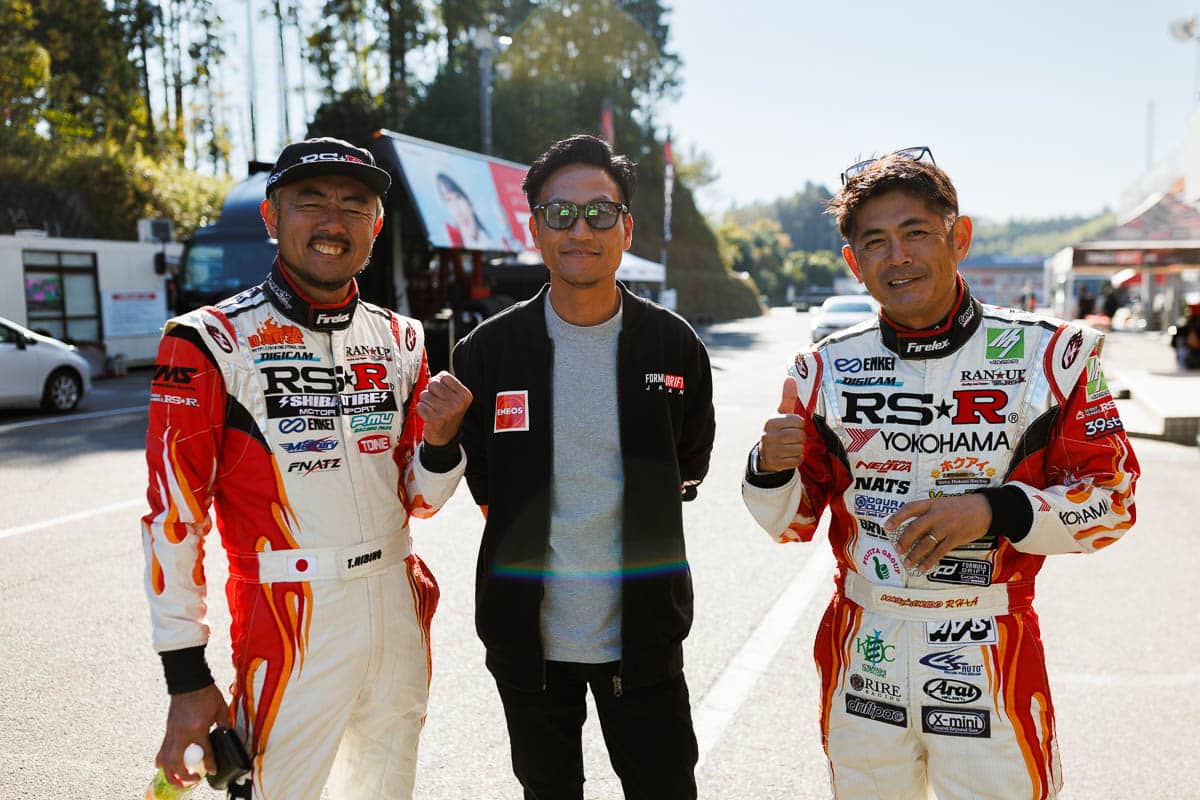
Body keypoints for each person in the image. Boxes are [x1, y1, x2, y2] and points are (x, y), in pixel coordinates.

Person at [742, 148, 1140, 800]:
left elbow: (1113, 498)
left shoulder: (1054, 356)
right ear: (853, 262)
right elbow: (790, 522)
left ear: (959, 237)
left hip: (990, 645)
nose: (897, 256)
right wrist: (767, 468)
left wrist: (994, 510)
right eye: (875, 242)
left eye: (915, 233)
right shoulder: (820, 370)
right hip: (864, 648)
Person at [141, 137, 472, 800]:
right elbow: (173, 519)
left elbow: (421, 501)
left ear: (376, 226)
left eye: (355, 205)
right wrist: (186, 679)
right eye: (310, 201)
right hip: (289, 621)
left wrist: (441, 442)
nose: (333, 220)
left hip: (395, 607)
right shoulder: (208, 340)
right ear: (271, 217)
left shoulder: (403, 339)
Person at [451, 134, 715, 800]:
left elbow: (688, 464)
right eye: (559, 213)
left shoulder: (673, 345)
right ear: (534, 226)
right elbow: (483, 478)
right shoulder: (487, 351)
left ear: (626, 227)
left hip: (646, 638)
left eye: (600, 213)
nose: (580, 230)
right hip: (526, 644)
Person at [436, 172, 493, 249]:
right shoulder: (452, 245)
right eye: (448, 200)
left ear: (470, 202)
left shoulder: (494, 241)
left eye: (458, 197)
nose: (457, 210)